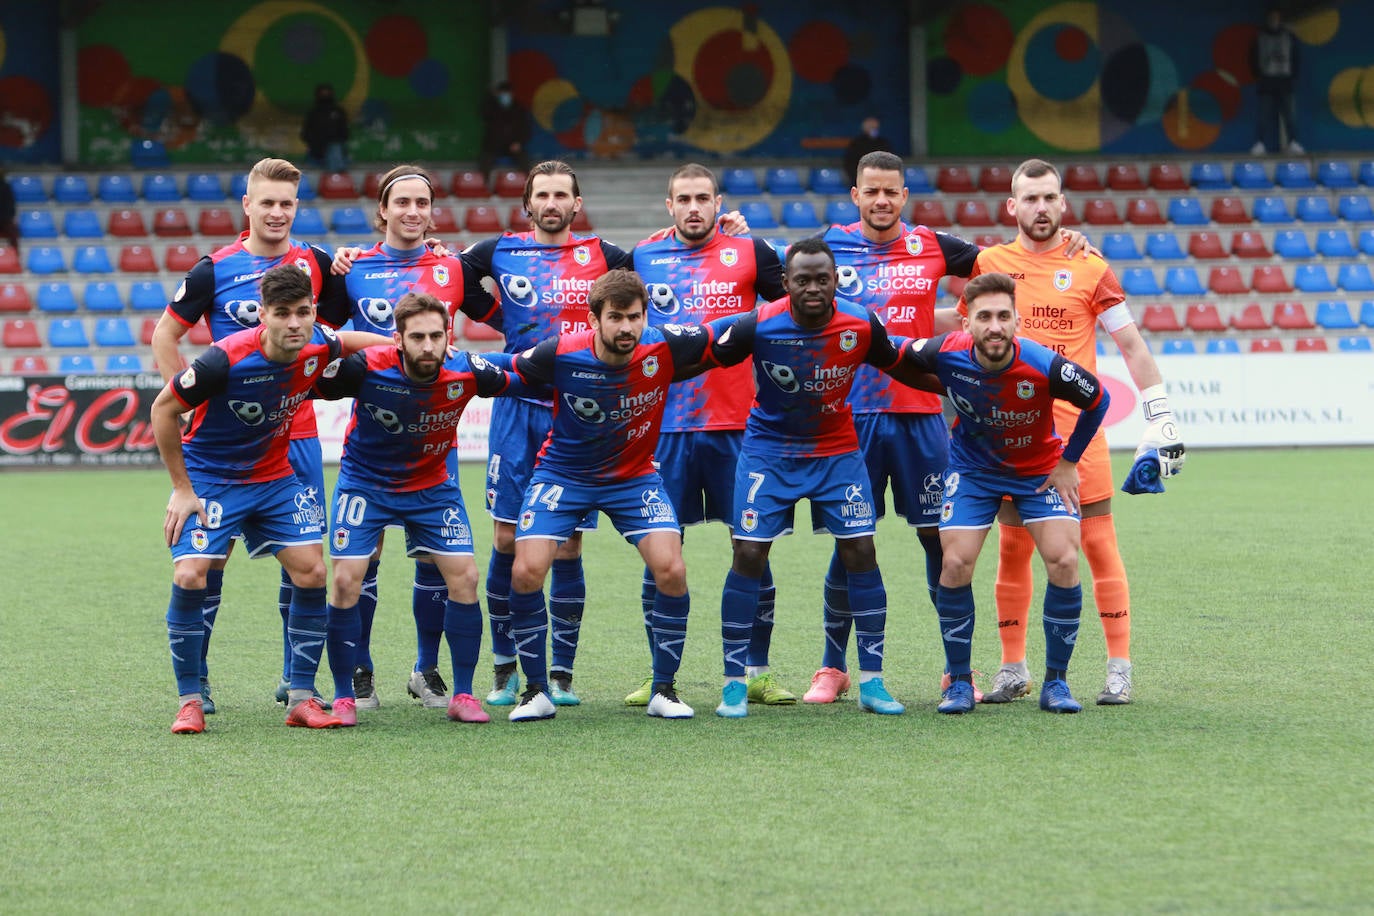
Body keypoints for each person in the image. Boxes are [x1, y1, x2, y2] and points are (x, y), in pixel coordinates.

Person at [803, 150, 1096, 705]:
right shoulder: (826, 247)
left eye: (892, 191)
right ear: (856, 196)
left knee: (942, 545)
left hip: (923, 420)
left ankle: (954, 673)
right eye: (872, 191)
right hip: (849, 418)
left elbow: (1008, 268)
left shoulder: (932, 245)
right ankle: (831, 667)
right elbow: (773, 275)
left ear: (904, 195)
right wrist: (732, 228)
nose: (882, 200)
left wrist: (1063, 241)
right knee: (849, 543)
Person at [957, 158, 1186, 706]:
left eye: (1049, 198)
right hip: (1009, 436)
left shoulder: (1091, 267)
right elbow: (964, 323)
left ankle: (1119, 668)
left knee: (1097, 543)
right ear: (1012, 206)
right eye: (1029, 199)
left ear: (1063, 204)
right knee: (1012, 548)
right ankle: (1013, 669)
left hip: (1077, 437)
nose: (1041, 208)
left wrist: (1159, 410)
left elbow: (1130, 343)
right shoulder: (989, 262)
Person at [151, 265, 389, 734]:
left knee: (312, 570)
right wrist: (182, 488)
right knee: (190, 572)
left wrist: (399, 346)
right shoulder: (223, 360)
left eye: (303, 312)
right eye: (283, 314)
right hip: (212, 477)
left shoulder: (318, 341)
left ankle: (301, 695)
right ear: (264, 316)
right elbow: (164, 408)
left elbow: (355, 341)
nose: (294, 324)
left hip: (274, 477)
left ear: (313, 312)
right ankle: (190, 699)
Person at [151, 157, 351, 714]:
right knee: (208, 563)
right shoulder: (214, 268)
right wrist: (183, 401)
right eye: (267, 202)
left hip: (298, 435)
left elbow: (343, 328)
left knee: (305, 562)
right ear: (247, 205)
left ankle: (296, 681)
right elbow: (165, 334)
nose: (277, 212)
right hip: (226, 440)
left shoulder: (317, 262)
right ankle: (197, 685)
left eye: (287, 203)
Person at [703, 237, 932, 718]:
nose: (812, 288)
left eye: (821, 279)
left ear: (835, 281)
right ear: (784, 284)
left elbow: (903, 366)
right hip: (768, 453)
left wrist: (958, 378)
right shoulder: (757, 325)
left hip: (836, 452)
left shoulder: (860, 323)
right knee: (747, 551)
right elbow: (701, 357)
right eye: (802, 280)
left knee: (861, 550)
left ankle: (872, 681)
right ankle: (734, 683)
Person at [503, 269, 715, 722]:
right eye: (616, 317)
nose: (627, 328)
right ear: (594, 318)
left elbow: (731, 339)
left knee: (672, 569)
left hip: (634, 477)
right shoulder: (559, 352)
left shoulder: (664, 345)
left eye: (635, 317)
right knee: (525, 571)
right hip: (563, 474)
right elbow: (505, 373)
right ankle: (536, 691)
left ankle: (665, 690)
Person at [460, 160, 633, 708]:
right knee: (507, 540)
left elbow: (650, 284)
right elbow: (451, 280)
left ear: (576, 204)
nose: (553, 202)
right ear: (528, 204)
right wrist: (499, 318)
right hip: (516, 406)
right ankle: (506, 664)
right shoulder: (498, 251)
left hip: (579, 413)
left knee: (566, 544)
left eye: (562, 194)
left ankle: (560, 672)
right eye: (543, 194)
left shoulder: (605, 256)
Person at [329, 164, 497, 711]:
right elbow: (317, 332)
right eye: (401, 202)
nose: (412, 212)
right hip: (375, 441)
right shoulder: (351, 269)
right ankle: (359, 672)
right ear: (383, 210)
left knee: (438, 564)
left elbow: (507, 315)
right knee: (362, 564)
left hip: (435, 446)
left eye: (422, 203)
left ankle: (427, 671)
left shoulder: (451, 266)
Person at [904, 271, 1110, 715]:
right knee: (955, 561)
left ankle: (1056, 683)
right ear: (966, 324)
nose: (994, 326)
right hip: (973, 471)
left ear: (1017, 321)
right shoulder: (943, 353)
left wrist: (1069, 462)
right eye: (984, 317)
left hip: (1037, 472)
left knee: (1065, 559)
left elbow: (1098, 399)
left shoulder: (1042, 363)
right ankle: (959, 682)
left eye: (1002, 316)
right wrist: (940, 386)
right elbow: (892, 356)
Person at [314, 293, 524, 726]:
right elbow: (309, 378)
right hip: (365, 486)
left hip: (432, 489)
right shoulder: (368, 367)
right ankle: (342, 696)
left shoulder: (465, 370)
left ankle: (463, 695)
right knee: (344, 580)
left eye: (435, 336)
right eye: (417, 337)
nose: (427, 346)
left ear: (449, 337)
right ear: (398, 340)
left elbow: (528, 374)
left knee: (465, 577)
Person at [626, 162, 789, 707]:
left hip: (739, 427)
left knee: (752, 548)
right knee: (659, 551)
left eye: (703, 198)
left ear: (718, 203)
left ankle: (755, 671)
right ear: (667, 207)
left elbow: (801, 295)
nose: (694, 207)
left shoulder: (750, 253)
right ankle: (659, 672)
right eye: (683, 199)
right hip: (664, 427)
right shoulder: (643, 258)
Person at [1250, 4, 1302, 155]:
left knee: (1290, 115)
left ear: (1280, 19)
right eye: (1271, 18)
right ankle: (1259, 144)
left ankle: (1293, 142)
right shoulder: (1260, 37)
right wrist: (1258, 74)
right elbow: (1252, 59)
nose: (1274, 20)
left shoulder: (1288, 36)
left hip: (1285, 81)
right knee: (1263, 115)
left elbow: (1296, 58)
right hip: (1266, 81)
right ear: (1267, 19)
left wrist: (1293, 76)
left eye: (1276, 18)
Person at [478, 81, 531, 178]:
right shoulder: (492, 107)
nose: (505, 96)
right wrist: (491, 96)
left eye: (507, 93)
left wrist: (519, 142)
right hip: (493, 144)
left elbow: (525, 129)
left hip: (513, 144)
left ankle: (528, 185)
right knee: (485, 159)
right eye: (502, 93)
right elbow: (484, 113)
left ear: (512, 94)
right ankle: (483, 185)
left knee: (524, 159)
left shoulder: (519, 108)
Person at [301, 83, 350, 171]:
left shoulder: (338, 112)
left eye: (327, 94)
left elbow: (344, 134)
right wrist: (317, 143)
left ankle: (335, 179)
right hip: (316, 153)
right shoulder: (313, 113)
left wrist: (330, 141)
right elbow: (305, 134)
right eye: (322, 94)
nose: (325, 96)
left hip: (335, 153)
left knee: (334, 148)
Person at [842, 116, 892, 189]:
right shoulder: (856, 144)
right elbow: (850, 163)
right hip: (861, 179)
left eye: (875, 127)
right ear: (864, 128)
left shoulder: (883, 143)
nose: (873, 129)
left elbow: (890, 161)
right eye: (871, 127)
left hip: (881, 179)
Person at [0, 168, 18, 254]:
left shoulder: (6, 187)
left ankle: (16, 255)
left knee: (13, 232)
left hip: (5, 219)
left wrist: (8, 217)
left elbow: (10, 205)